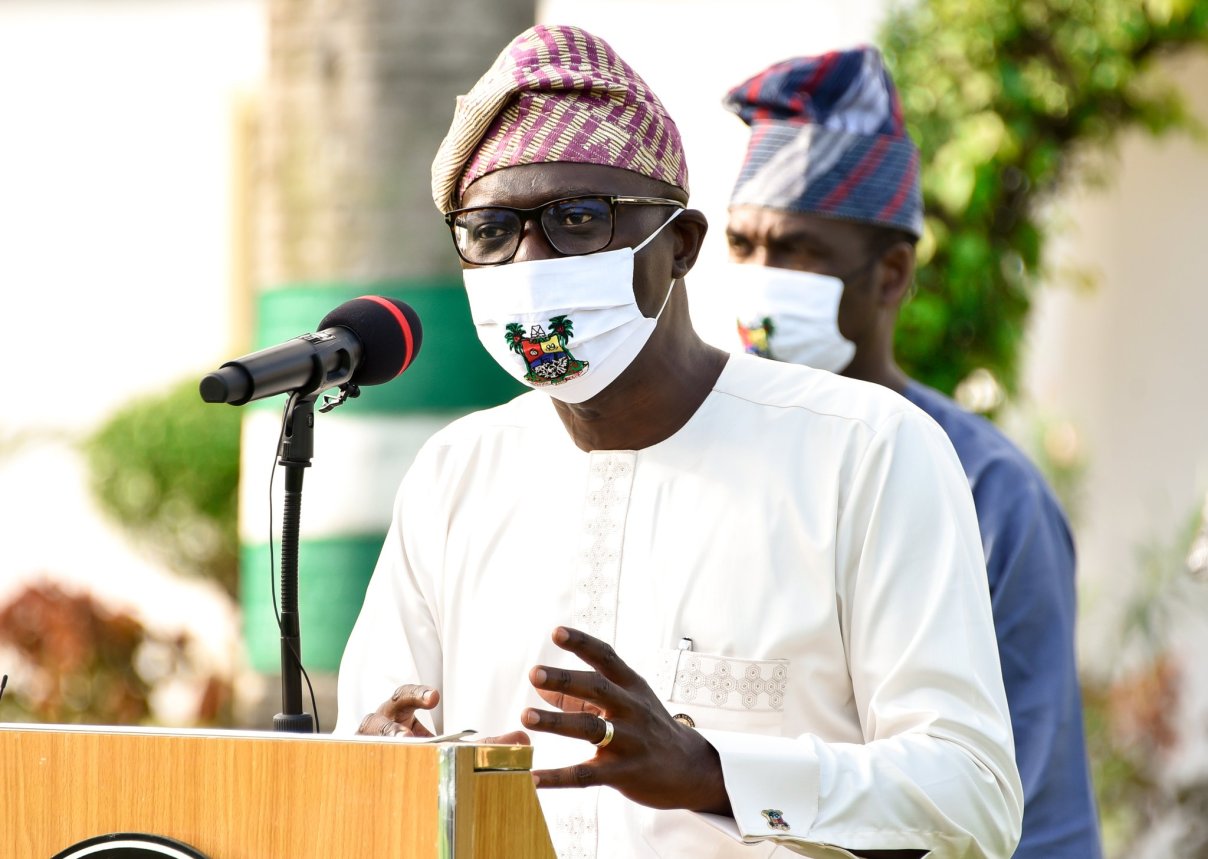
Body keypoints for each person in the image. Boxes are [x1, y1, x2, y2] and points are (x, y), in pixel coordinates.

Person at [336, 24, 1023, 858]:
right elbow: (368, 758)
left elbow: (973, 795)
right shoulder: (456, 473)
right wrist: (379, 769)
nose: (531, 259)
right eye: (491, 230)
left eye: (578, 219)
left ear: (681, 246)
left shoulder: (865, 451)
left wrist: (716, 771)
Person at [721, 47, 1101, 859]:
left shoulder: (992, 494)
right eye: (743, 245)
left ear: (891, 274)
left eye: (795, 250)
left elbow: (1035, 811)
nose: (759, 276)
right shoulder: (705, 450)